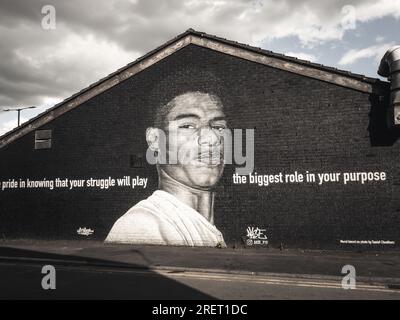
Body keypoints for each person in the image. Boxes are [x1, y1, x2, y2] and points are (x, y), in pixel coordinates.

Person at [105, 91, 227, 247]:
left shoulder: (203, 226)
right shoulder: (143, 225)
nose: (212, 138)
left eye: (219, 127)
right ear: (155, 140)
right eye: (187, 126)